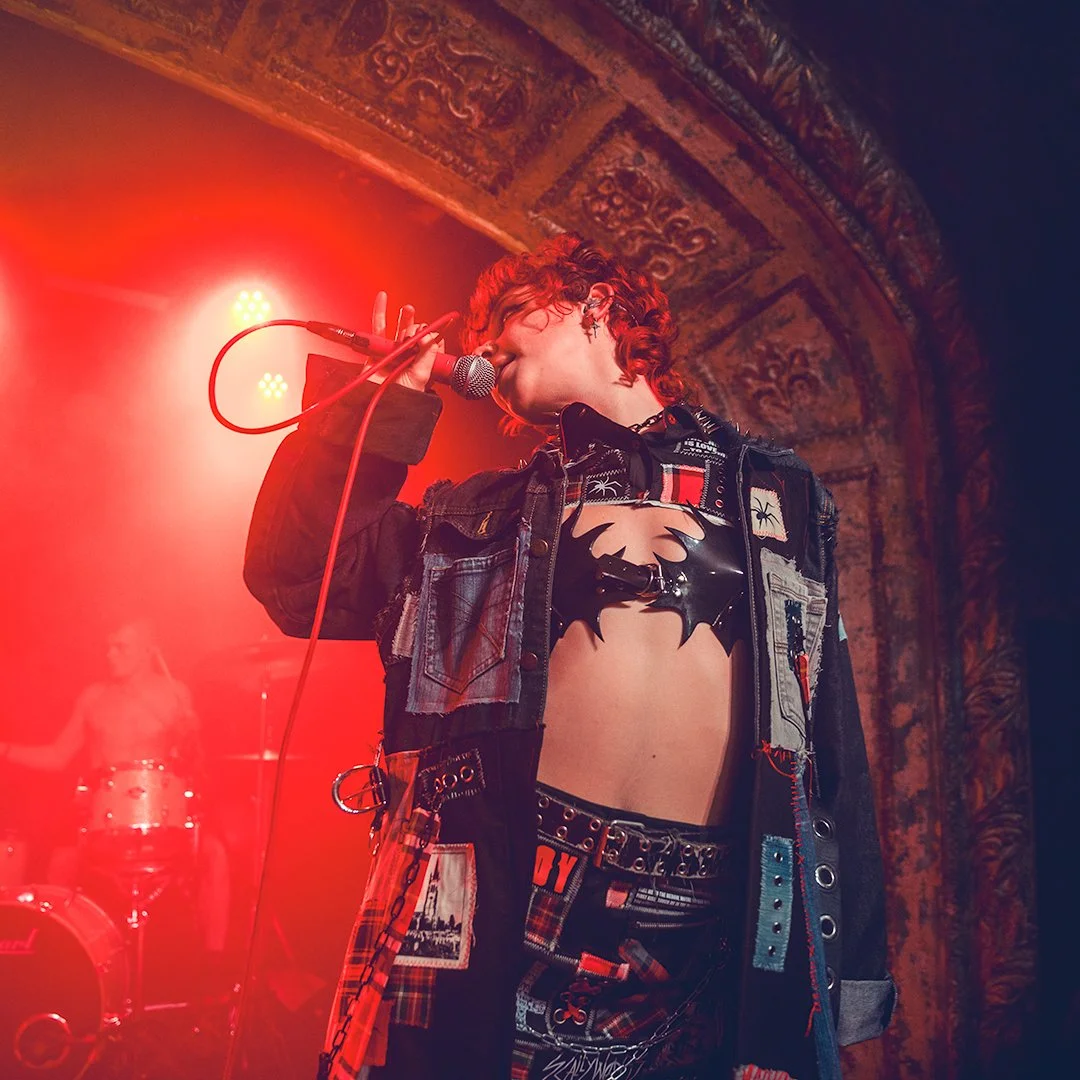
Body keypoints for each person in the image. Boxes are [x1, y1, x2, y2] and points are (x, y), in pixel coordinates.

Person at [244, 235, 894, 1079]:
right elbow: (296, 580)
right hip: (496, 904)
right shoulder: (479, 518)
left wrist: (853, 1007)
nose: (480, 348)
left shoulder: (776, 497)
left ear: (597, 304)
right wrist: (377, 408)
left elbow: (829, 750)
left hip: (700, 942)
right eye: (477, 336)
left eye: (509, 315)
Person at [0, 619, 230, 960]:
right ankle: (58, 959)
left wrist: (191, 735)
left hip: (163, 820)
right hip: (102, 823)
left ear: (149, 651)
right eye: (108, 646)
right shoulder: (94, 697)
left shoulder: (174, 693)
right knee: (61, 863)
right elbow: (58, 756)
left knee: (215, 857)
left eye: (121, 647)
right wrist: (4, 750)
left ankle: (216, 967)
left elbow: (196, 767)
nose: (110, 654)